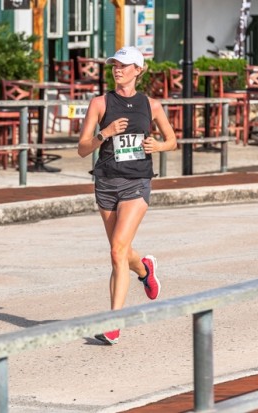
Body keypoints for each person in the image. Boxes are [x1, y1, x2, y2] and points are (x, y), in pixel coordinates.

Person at [77, 46, 178, 345]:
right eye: (114, 66)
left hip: (136, 181)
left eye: (123, 65)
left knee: (117, 250)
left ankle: (113, 324)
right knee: (120, 251)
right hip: (106, 182)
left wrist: (158, 146)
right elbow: (82, 149)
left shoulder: (152, 105)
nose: (117, 70)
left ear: (138, 70)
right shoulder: (100, 103)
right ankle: (145, 269)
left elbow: (172, 140)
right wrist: (104, 133)